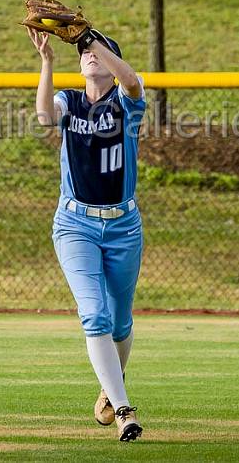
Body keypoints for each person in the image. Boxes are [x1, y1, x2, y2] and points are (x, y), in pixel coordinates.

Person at [28, 25, 146, 442]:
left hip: (124, 227)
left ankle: (110, 385)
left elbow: (131, 80)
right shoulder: (71, 101)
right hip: (75, 224)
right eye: (84, 52)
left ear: (112, 63)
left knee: (120, 322)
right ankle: (125, 409)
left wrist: (94, 39)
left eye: (97, 50)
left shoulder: (127, 102)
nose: (89, 54)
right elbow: (44, 116)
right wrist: (47, 62)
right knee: (94, 313)